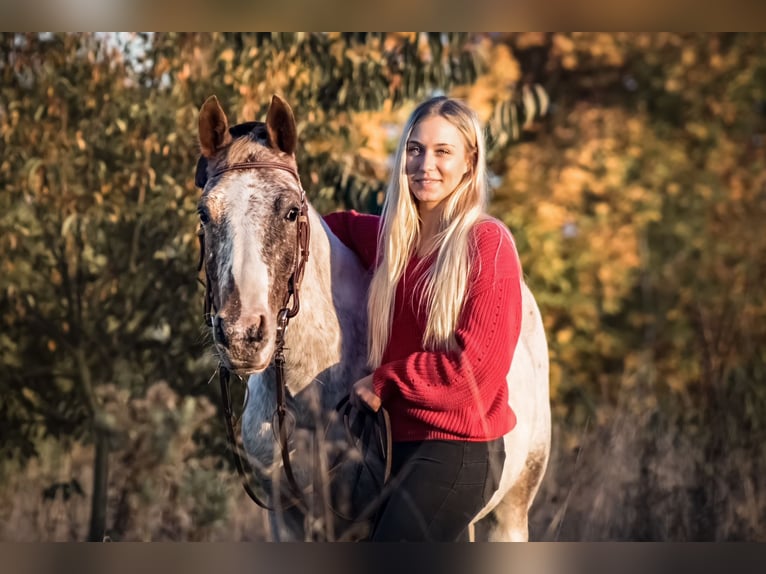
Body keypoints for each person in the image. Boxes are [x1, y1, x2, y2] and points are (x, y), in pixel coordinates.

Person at [323, 96, 523, 542]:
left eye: (442, 151)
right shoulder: (391, 240)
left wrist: (384, 381)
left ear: (471, 163)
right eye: (414, 149)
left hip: (460, 449)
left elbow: (476, 373)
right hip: (393, 446)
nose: (424, 164)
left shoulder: (487, 244)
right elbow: (322, 228)